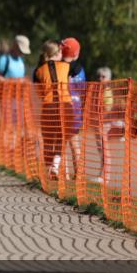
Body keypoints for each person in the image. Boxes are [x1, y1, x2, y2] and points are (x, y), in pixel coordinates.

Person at [33, 40, 71, 181]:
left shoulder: (38, 71)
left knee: (48, 139)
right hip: (65, 106)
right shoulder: (67, 66)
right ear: (56, 53)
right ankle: (55, 166)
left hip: (48, 106)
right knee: (61, 138)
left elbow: (39, 93)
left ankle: (48, 169)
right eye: (61, 51)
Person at [61, 37, 86, 179]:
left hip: (63, 106)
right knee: (75, 144)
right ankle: (79, 174)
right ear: (76, 54)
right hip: (76, 108)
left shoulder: (60, 68)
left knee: (62, 143)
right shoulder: (81, 69)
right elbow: (83, 88)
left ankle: (65, 175)